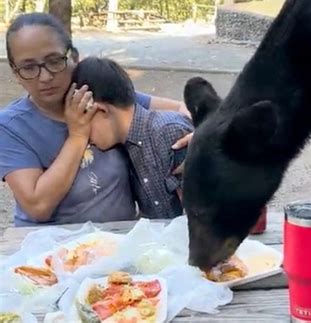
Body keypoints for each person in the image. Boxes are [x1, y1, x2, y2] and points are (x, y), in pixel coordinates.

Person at [0, 12, 191, 226]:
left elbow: (182, 108)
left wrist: (202, 133)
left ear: (74, 57)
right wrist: (78, 136)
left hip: (119, 242)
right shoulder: (11, 127)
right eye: (28, 67)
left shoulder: (97, 94)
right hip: (51, 250)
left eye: (54, 61)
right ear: (16, 74)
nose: (45, 77)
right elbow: (38, 207)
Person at [72, 57, 193, 218]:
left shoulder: (169, 133)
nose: (85, 137)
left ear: (100, 110)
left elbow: (203, 214)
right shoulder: (127, 146)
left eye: (82, 122)